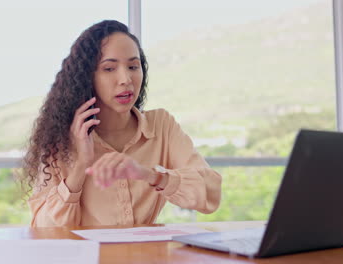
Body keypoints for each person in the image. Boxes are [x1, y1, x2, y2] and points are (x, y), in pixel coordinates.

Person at [22, 20, 222, 227]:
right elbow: (43, 230)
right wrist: (81, 164)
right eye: (109, 68)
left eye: (133, 66)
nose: (126, 79)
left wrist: (149, 175)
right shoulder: (61, 139)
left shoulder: (161, 125)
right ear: (86, 78)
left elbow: (210, 194)